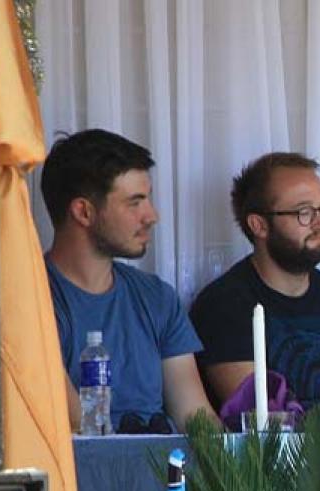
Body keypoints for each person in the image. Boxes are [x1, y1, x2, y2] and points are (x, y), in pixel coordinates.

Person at [190, 153, 320, 430]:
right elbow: (259, 422)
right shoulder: (223, 305)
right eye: (303, 212)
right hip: (263, 468)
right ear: (258, 225)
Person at [42, 129, 216, 433]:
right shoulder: (35, 298)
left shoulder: (158, 298)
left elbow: (197, 420)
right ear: (83, 212)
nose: (152, 216)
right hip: (87, 476)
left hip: (168, 477)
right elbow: (75, 429)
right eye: (135, 203)